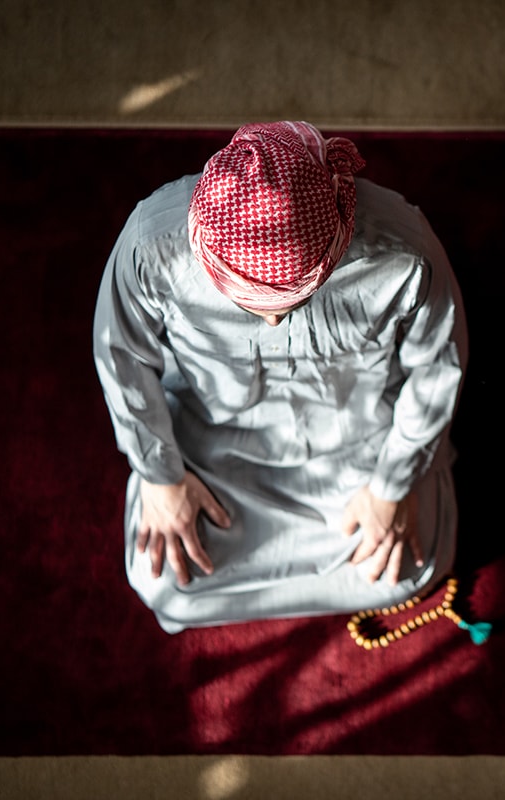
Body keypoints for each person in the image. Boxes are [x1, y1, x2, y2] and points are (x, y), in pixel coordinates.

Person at [93, 122, 467, 633]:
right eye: (247, 303)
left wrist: (390, 488)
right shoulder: (152, 245)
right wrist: (164, 479)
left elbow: (437, 369)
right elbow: (122, 360)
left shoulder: (403, 254)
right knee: (165, 585)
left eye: (291, 301)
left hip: (354, 448)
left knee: (410, 568)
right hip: (214, 446)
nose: (270, 322)